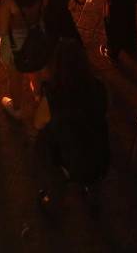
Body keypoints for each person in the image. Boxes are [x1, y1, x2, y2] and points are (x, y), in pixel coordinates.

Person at [34, 40, 109, 210]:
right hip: (99, 153)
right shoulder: (97, 87)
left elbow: (38, 123)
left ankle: (53, 198)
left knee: (43, 141)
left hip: (70, 159)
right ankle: (91, 191)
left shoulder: (54, 95)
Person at [0, 0, 45, 120]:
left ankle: (16, 108)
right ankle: (39, 96)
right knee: (35, 68)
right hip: (37, 36)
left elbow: (2, 31)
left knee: (15, 76)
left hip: (16, 44)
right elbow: (44, 10)